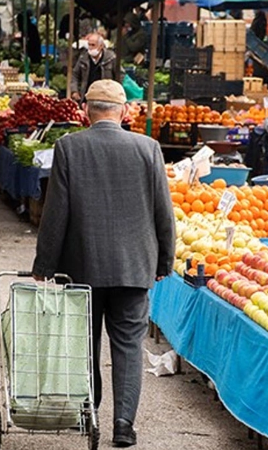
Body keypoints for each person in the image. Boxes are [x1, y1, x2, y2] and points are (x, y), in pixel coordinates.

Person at [32, 79, 175, 448]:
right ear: (125, 112)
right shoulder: (149, 148)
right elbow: (164, 212)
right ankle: (123, 425)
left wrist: (44, 264)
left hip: (82, 265)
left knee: (85, 342)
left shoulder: (68, 147)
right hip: (134, 266)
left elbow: (55, 213)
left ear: (85, 112)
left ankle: (89, 413)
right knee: (128, 346)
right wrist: (165, 260)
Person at [70, 33, 122, 101]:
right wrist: (74, 91)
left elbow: (120, 75)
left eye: (93, 45)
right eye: (89, 45)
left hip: (106, 96)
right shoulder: (83, 58)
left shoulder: (111, 58)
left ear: (101, 46)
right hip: (87, 96)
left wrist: (115, 91)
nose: (90, 48)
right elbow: (75, 75)